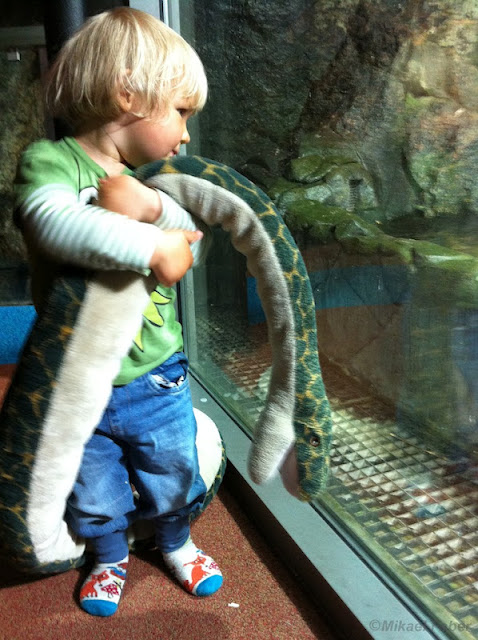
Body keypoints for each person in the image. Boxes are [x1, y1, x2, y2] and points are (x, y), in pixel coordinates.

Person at [14, 7, 222, 617]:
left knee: (173, 468)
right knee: (93, 483)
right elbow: (51, 222)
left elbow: (191, 240)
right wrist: (148, 245)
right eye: (180, 112)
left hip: (157, 372)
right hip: (77, 382)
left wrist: (156, 212)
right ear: (128, 93)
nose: (186, 135)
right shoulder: (52, 163)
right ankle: (108, 555)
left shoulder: (154, 178)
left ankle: (176, 541)